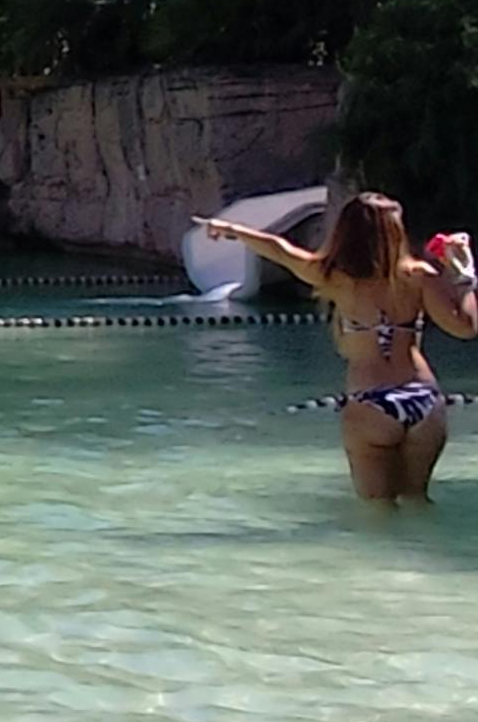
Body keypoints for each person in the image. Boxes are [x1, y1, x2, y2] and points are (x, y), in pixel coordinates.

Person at [203, 192, 478, 502]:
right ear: (397, 232)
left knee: (377, 509)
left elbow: (279, 249)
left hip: (370, 400)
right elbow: (465, 328)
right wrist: (465, 275)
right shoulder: (419, 276)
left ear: (346, 233)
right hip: (423, 399)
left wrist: (233, 230)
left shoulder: (334, 277)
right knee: (417, 500)